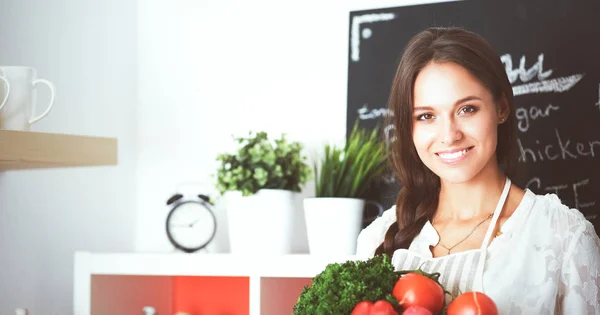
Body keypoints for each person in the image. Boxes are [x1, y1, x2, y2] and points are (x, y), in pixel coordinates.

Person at [355, 26, 600, 314]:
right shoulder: (377, 238)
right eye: (426, 116)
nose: (449, 135)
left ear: (501, 108)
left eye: (466, 109)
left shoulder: (564, 236)